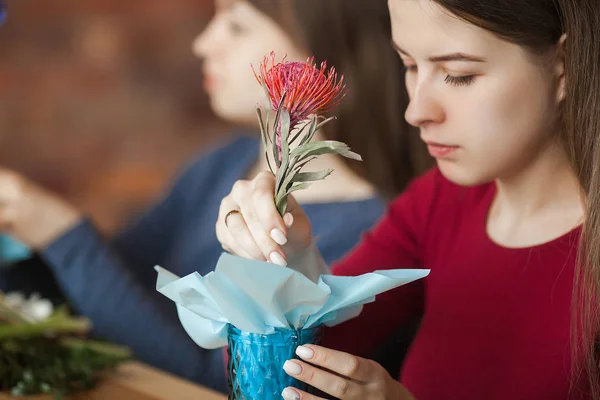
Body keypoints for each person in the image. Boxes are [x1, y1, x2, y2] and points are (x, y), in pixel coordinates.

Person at [0, 0, 428, 392]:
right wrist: (18, 228)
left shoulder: (377, 231)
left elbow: (225, 381)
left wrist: (58, 231)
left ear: (325, 49)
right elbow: (100, 291)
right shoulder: (226, 162)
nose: (204, 42)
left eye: (237, 26)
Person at [216, 0, 600, 398]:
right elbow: (266, 371)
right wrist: (283, 256)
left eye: (458, 75)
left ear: (564, 63)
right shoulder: (437, 203)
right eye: (410, 66)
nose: (416, 110)